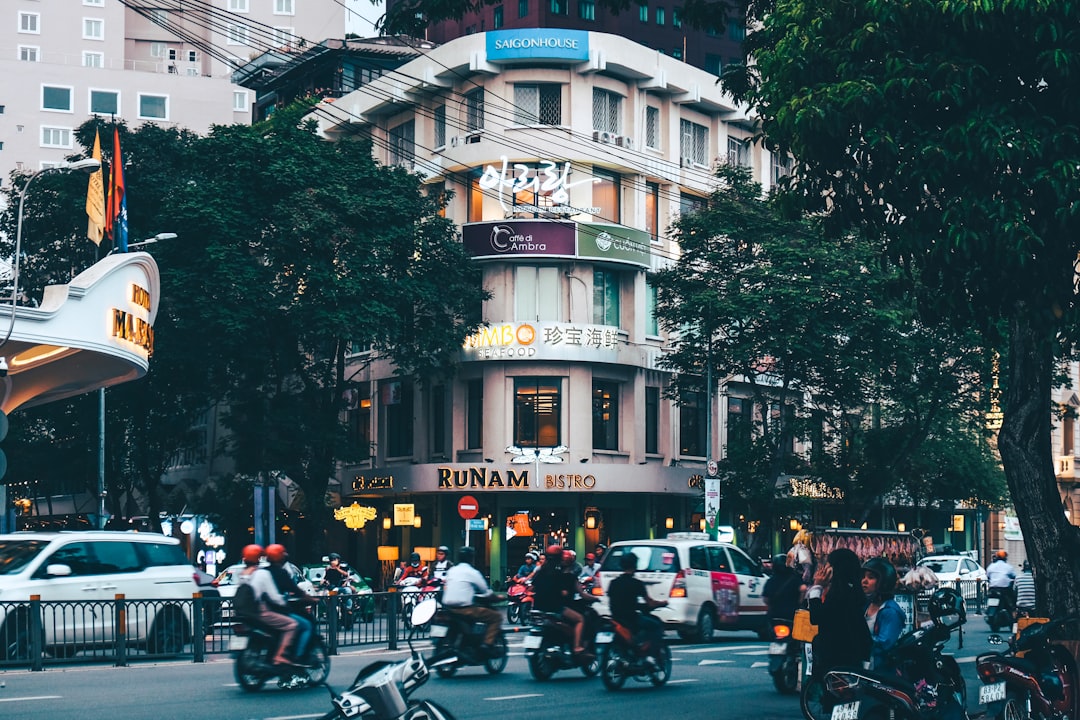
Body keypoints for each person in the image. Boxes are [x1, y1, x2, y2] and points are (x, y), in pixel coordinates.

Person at [806, 548, 872, 680]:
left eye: (828, 565)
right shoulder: (852, 590)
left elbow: (816, 617)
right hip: (852, 653)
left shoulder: (840, 594)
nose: (824, 569)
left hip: (836, 655)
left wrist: (817, 586)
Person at [237, 543, 298, 666]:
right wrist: (284, 603)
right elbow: (274, 597)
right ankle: (279, 655)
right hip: (259, 612)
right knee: (292, 624)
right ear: (259, 558)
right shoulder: (261, 574)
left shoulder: (242, 573)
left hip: (244, 613)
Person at [441, 546, 503, 655]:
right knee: (496, 617)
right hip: (465, 609)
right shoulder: (472, 572)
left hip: (448, 608)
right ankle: (486, 644)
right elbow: (486, 591)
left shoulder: (452, 571)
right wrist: (497, 598)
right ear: (471, 558)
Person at [607, 551, 668, 656]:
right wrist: (663, 603)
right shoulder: (637, 583)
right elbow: (650, 603)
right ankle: (650, 656)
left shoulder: (614, 583)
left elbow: (615, 600)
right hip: (632, 618)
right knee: (656, 626)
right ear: (635, 565)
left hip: (615, 617)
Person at [264, 543, 317, 664]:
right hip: (277, 610)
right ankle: (297, 656)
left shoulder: (263, 572)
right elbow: (295, 590)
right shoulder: (281, 573)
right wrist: (309, 598)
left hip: (264, 609)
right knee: (306, 626)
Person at [532, 544, 587, 655]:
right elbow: (564, 593)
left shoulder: (540, 572)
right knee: (580, 619)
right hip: (555, 607)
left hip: (538, 606)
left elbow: (533, 587)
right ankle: (576, 647)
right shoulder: (558, 574)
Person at [861, 557, 906, 675]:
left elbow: (884, 643)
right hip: (865, 668)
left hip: (881, 672)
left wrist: (859, 643)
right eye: (864, 577)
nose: (864, 581)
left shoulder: (891, 612)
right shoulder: (867, 605)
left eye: (871, 577)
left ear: (883, 582)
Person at [762, 553, 802, 624]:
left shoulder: (771, 581)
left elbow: (765, 599)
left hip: (775, 614)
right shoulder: (795, 580)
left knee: (765, 631)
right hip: (792, 615)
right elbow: (803, 589)